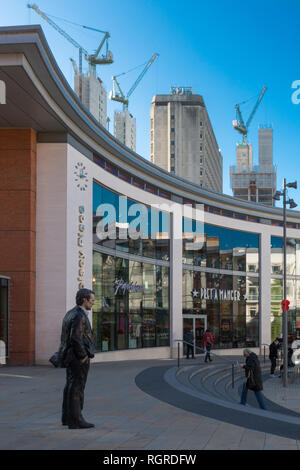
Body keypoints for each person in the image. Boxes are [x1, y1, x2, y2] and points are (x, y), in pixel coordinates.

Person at [59, 288, 95, 429]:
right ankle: (76, 420)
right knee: (77, 387)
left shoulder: (70, 313)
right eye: (91, 300)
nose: (93, 303)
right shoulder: (79, 315)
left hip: (69, 356)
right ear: (84, 300)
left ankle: (67, 417)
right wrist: (83, 355)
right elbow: (75, 337)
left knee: (70, 385)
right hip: (77, 357)